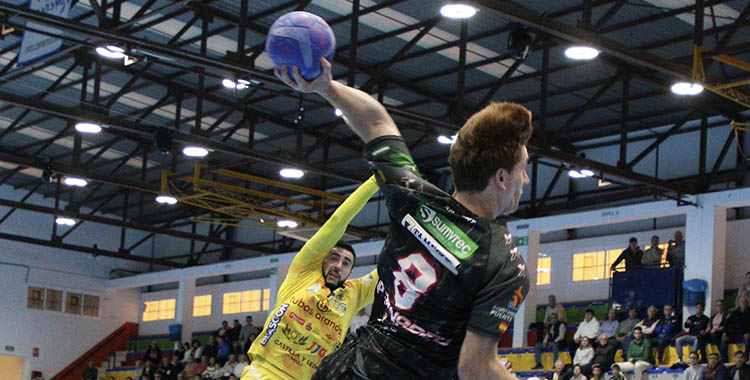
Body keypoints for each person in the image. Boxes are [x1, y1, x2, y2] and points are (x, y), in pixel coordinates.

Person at [277, 58, 532, 380]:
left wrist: (326, 87)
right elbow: (476, 367)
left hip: (346, 370)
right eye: (522, 169)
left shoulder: (412, 194)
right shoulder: (504, 263)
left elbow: (377, 124)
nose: (525, 178)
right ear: (501, 178)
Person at [243, 176, 380, 380]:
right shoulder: (304, 271)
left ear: (350, 272)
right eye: (334, 258)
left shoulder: (355, 294)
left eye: (345, 263)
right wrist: (376, 181)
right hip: (264, 372)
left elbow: (394, 265)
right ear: (323, 260)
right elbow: (337, 222)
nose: (338, 265)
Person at [721, 296, 750, 363]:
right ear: (739, 303)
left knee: (747, 339)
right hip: (734, 334)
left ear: (747, 303)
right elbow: (726, 323)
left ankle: (746, 357)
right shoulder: (735, 312)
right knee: (723, 339)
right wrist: (725, 333)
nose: (743, 303)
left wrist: (749, 333)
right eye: (741, 301)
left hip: (745, 334)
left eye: (745, 302)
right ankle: (724, 358)